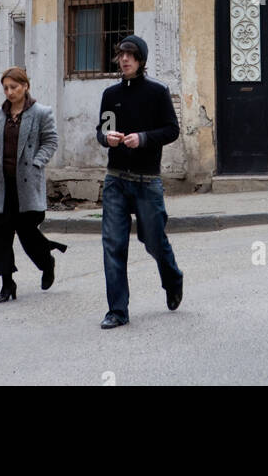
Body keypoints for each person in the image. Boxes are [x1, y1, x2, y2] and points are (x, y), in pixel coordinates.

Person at [96, 34, 183, 328]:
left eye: (130, 55)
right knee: (113, 245)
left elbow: (172, 130)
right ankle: (117, 311)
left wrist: (143, 138)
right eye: (121, 55)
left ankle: (172, 279)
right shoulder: (110, 95)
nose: (124, 60)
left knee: (154, 241)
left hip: (147, 181)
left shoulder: (157, 93)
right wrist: (107, 138)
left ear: (141, 60)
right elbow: (102, 131)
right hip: (116, 181)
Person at [0, 67, 65, 302]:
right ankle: (7, 284)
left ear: (25, 86)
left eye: (14, 87)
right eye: (6, 88)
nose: (9, 92)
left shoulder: (41, 113)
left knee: (28, 234)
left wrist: (37, 163)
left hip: (26, 184)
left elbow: (51, 141)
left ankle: (47, 262)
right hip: (0, 185)